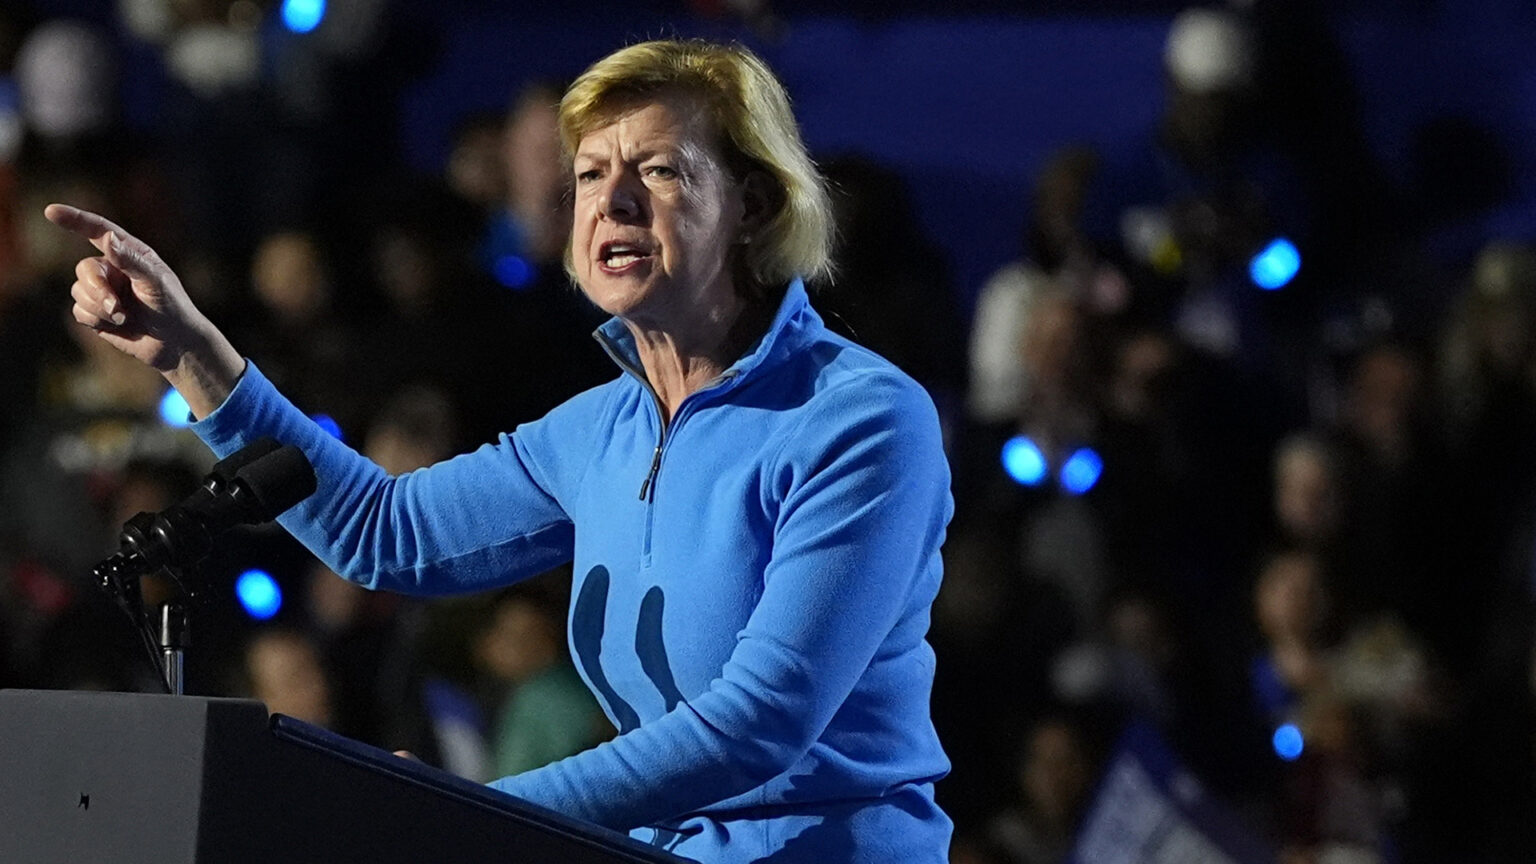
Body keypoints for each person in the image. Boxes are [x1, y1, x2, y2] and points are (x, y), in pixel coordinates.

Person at [50, 38, 954, 864]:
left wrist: (464, 808)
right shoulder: (601, 428)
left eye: (661, 170)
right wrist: (192, 354)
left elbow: (759, 724)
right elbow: (386, 529)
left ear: (751, 203)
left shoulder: (859, 421)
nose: (615, 199)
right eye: (592, 174)